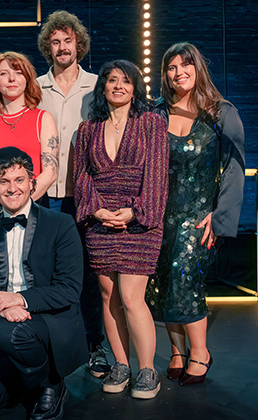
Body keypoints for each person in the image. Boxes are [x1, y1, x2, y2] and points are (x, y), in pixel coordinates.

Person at [0, 147, 86, 420]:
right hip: (4, 320)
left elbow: (69, 289)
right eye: (4, 182)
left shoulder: (60, 224)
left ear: (32, 182)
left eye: (19, 180)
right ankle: (24, 378)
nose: (13, 189)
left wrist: (18, 300)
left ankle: (51, 383)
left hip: (50, 320)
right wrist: (2, 306)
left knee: (9, 332)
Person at [146, 42, 245, 386]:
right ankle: (176, 351)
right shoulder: (155, 114)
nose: (178, 73)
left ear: (197, 68)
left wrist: (219, 217)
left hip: (200, 216)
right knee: (163, 285)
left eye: (185, 65)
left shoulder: (221, 113)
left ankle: (200, 352)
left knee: (186, 281)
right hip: (160, 217)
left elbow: (234, 168)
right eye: (171, 67)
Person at [72, 60, 168, 399]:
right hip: (100, 221)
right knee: (108, 295)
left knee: (131, 296)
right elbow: (81, 175)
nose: (118, 86)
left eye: (125, 81)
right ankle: (121, 364)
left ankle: (147, 370)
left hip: (139, 221)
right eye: (112, 80)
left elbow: (157, 175)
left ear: (135, 88)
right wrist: (97, 209)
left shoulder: (151, 124)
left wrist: (135, 212)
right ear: (103, 87)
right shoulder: (87, 129)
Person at [35, 9, 108, 379]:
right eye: (55, 41)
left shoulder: (98, 86)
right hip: (44, 195)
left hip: (85, 195)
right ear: (48, 46)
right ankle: (53, 345)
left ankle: (95, 346)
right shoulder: (35, 87)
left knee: (90, 275)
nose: (62, 47)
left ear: (79, 43)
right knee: (47, 274)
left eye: (68, 40)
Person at [0, 52, 59, 221]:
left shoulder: (43, 118)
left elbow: (50, 172)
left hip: (33, 207)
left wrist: (20, 205)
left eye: (18, 73)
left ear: (27, 79)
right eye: (4, 73)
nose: (12, 79)